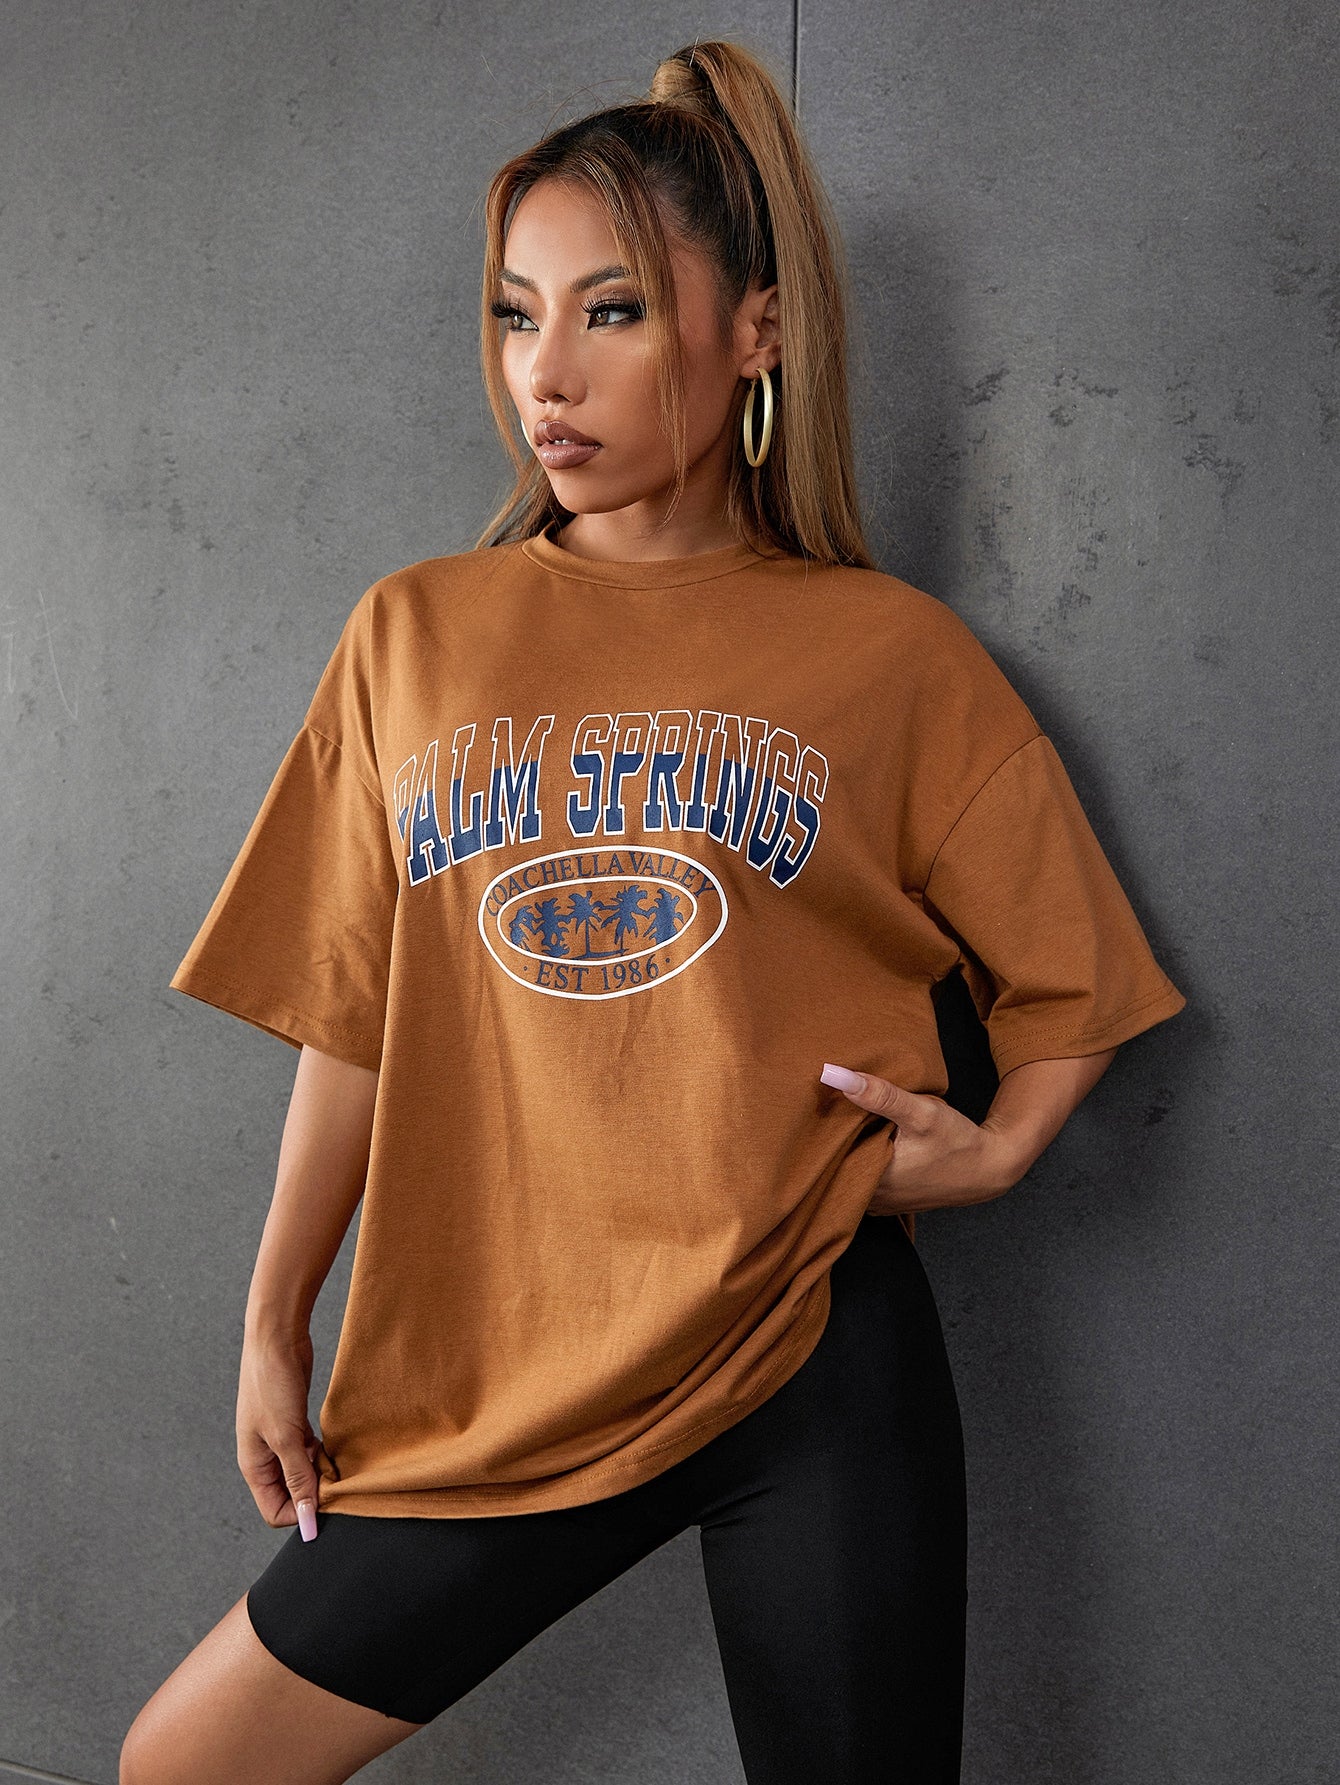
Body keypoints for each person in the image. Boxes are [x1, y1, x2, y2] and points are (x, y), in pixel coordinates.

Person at [120, 38, 1187, 1785]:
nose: (546, 373)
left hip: (808, 1352)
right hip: (498, 1377)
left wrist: (995, 1152)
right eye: (514, 315)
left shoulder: (890, 655)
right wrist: (270, 1315)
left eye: (610, 310)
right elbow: (361, 1018)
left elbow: (1079, 981)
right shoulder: (413, 635)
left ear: (754, 331)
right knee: (185, 1765)